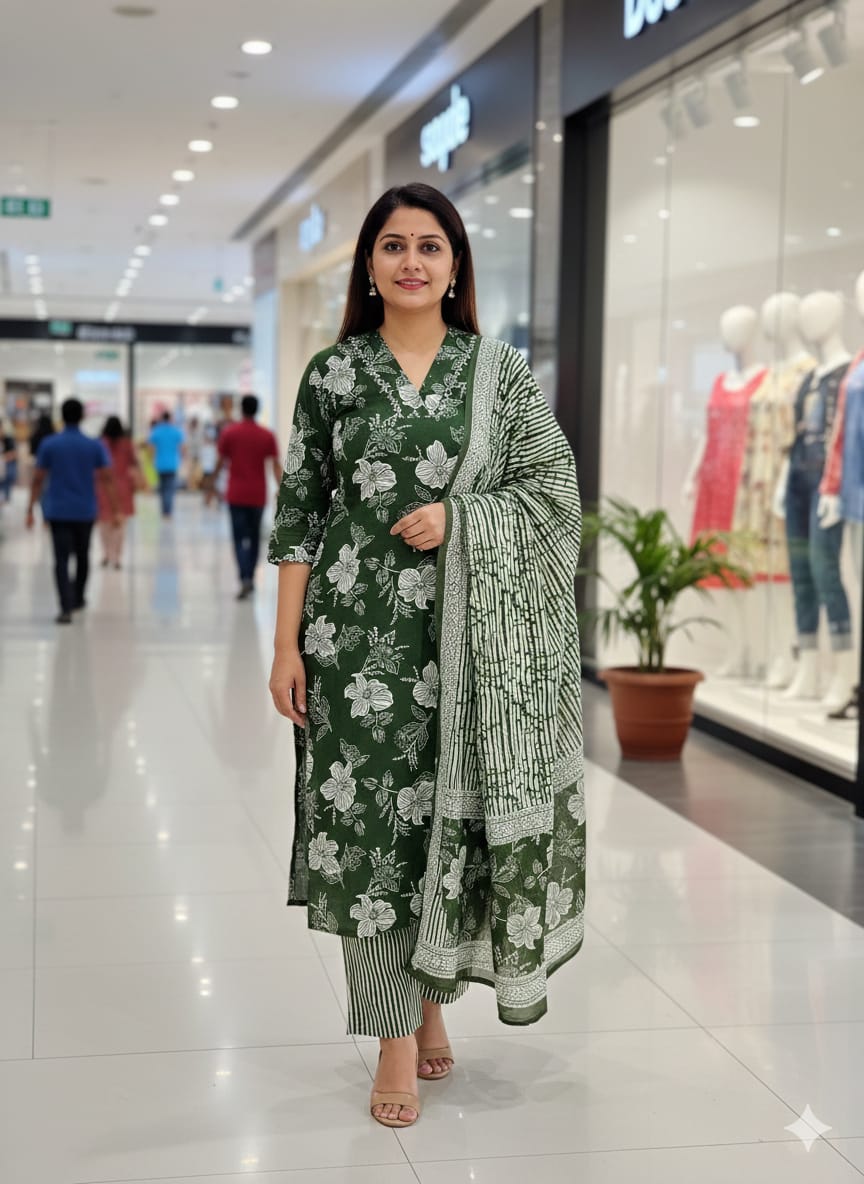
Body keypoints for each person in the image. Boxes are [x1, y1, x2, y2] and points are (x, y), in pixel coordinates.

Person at [266, 183, 585, 1130]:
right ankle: (394, 1038)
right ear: (369, 264)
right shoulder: (334, 373)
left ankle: (430, 994)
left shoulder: (499, 371)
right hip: (354, 642)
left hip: (472, 649)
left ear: (455, 266)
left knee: (445, 827)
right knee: (372, 834)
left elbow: (554, 492)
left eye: (431, 246)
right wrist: (285, 645)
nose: (412, 261)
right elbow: (299, 515)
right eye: (395, 245)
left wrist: (463, 518)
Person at [26, 397, 120, 624]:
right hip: (85, 509)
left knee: (60, 559)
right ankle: (78, 597)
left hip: (58, 510)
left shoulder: (49, 444)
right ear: (82, 416)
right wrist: (116, 509)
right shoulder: (93, 445)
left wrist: (30, 509)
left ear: (62, 416)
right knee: (82, 555)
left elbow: (38, 479)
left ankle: (65, 606)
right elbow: (107, 479)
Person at [209, 394, 280, 599]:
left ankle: (245, 578)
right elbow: (275, 465)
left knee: (239, 538)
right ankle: (250, 575)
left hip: (236, 494)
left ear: (241, 409)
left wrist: (211, 483)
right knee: (255, 537)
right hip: (257, 495)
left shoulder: (230, 433)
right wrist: (284, 489)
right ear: (257, 410)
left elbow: (220, 461)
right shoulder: (267, 435)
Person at [97, 415, 141, 569]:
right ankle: (117, 557)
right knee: (120, 524)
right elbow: (134, 463)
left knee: (104, 523)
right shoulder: (127, 444)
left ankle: (106, 553)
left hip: (103, 485)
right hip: (123, 486)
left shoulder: (100, 444)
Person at [148, 410, 184, 518]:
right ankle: (168, 511)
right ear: (170, 419)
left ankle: (164, 510)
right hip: (172, 463)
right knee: (170, 488)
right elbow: (182, 447)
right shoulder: (176, 431)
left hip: (160, 463)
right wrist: (182, 458)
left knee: (162, 487)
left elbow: (151, 448)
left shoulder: (156, 431)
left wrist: (152, 459)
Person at [1, 424, 17, 502]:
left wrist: (3, 458)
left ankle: (6, 496)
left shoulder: (8, 440)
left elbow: (13, 454)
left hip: (6, 464)